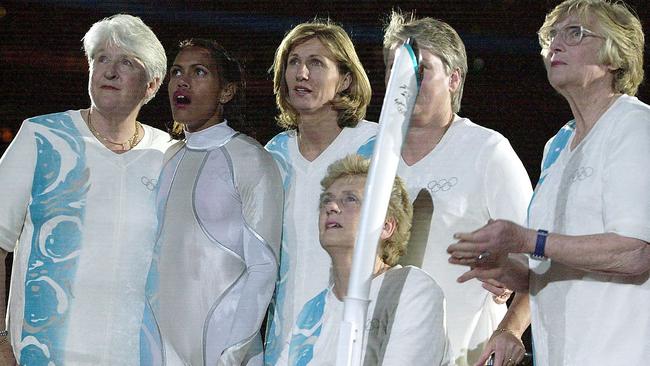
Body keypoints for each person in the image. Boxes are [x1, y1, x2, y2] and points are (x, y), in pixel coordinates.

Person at [448, 0, 650, 365]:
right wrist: (508, 269)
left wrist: (527, 240)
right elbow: (556, 266)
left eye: (575, 33)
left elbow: (636, 252)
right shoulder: (558, 146)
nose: (555, 44)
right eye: (552, 36)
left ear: (615, 57)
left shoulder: (635, 127)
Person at [0, 14, 171, 365]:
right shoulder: (41, 137)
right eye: (101, 59)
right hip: (39, 354)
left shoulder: (169, 155)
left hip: (136, 356)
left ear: (152, 85)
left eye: (126, 62)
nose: (110, 71)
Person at [382, 11, 533, 366]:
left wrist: (510, 329)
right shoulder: (371, 154)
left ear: (453, 78)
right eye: (394, 66)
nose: (404, 78)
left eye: (421, 68)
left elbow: (538, 264)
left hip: (464, 353)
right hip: (379, 350)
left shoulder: (487, 151)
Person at [139, 39, 283, 365]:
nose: (182, 81)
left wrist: (231, 355)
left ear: (226, 91)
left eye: (198, 72)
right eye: (176, 71)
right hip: (159, 349)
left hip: (227, 351)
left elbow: (263, 267)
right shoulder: (164, 158)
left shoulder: (251, 159)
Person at [263, 19, 378, 365]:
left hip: (354, 335)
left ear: (344, 79)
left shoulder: (375, 148)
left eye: (316, 63)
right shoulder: (273, 155)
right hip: (283, 340)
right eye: (294, 62)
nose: (302, 73)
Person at [280, 154, 450, 365]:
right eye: (327, 199)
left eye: (350, 199)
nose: (331, 207)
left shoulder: (411, 289)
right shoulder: (310, 313)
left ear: (386, 226)